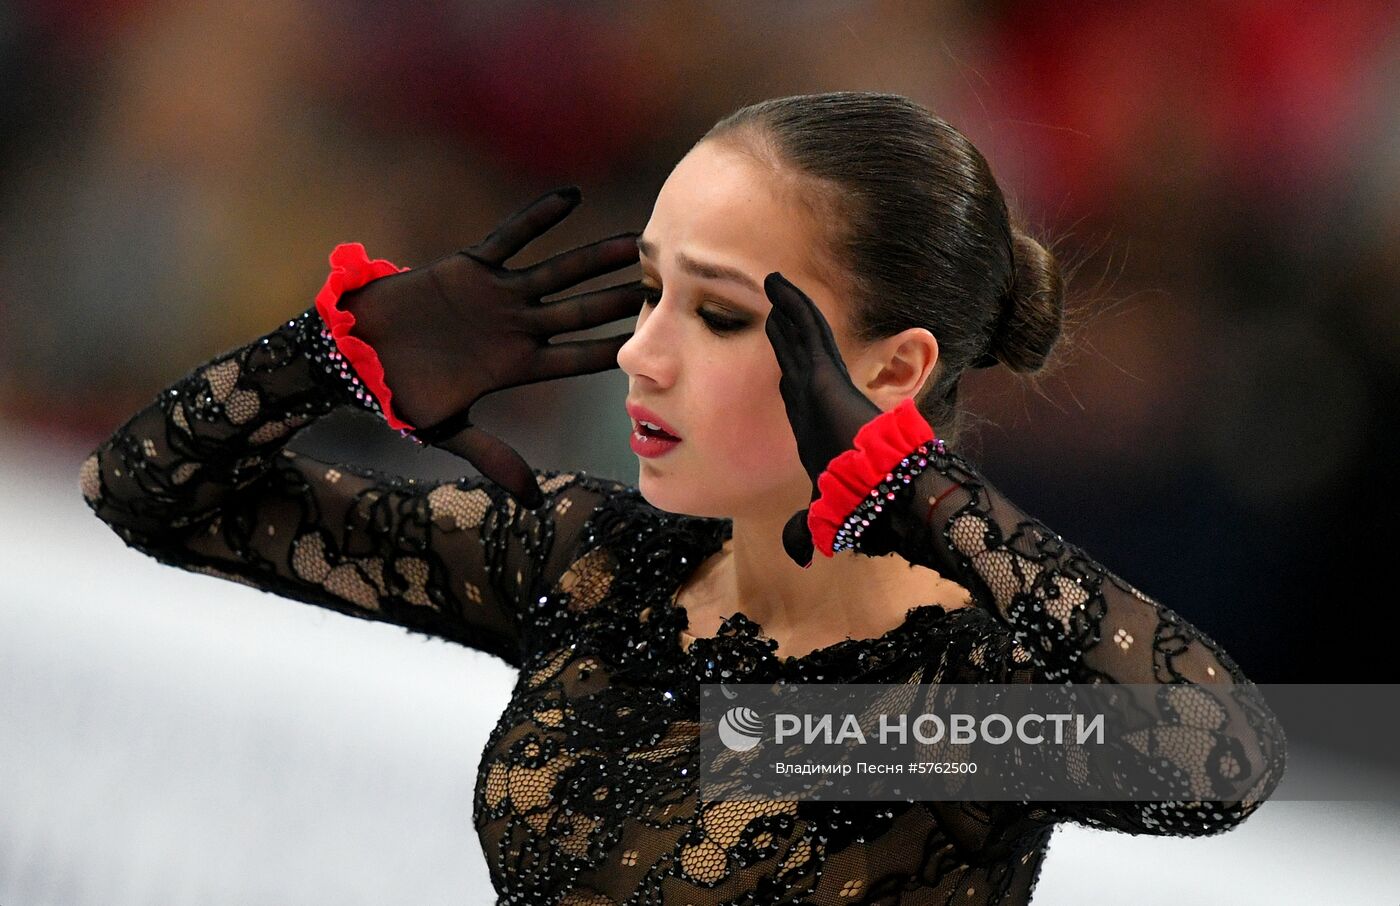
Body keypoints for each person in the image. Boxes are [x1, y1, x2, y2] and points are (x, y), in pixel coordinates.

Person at [82, 91, 1284, 904]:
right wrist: (328, 355)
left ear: (894, 372)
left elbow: (1218, 760)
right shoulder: (595, 561)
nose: (638, 356)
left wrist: (921, 491)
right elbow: (150, 493)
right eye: (649, 291)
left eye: (715, 315)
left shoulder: (943, 697)